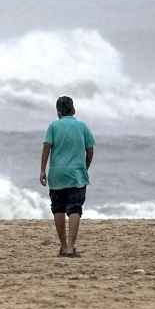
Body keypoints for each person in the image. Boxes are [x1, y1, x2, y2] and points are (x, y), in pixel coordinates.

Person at [39, 96, 95, 257]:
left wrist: (43, 170)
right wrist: (85, 167)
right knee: (75, 209)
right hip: (76, 174)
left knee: (58, 208)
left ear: (58, 112)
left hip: (57, 175)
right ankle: (71, 247)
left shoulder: (53, 126)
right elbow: (90, 150)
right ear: (74, 110)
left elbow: (46, 149)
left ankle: (63, 247)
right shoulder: (82, 126)